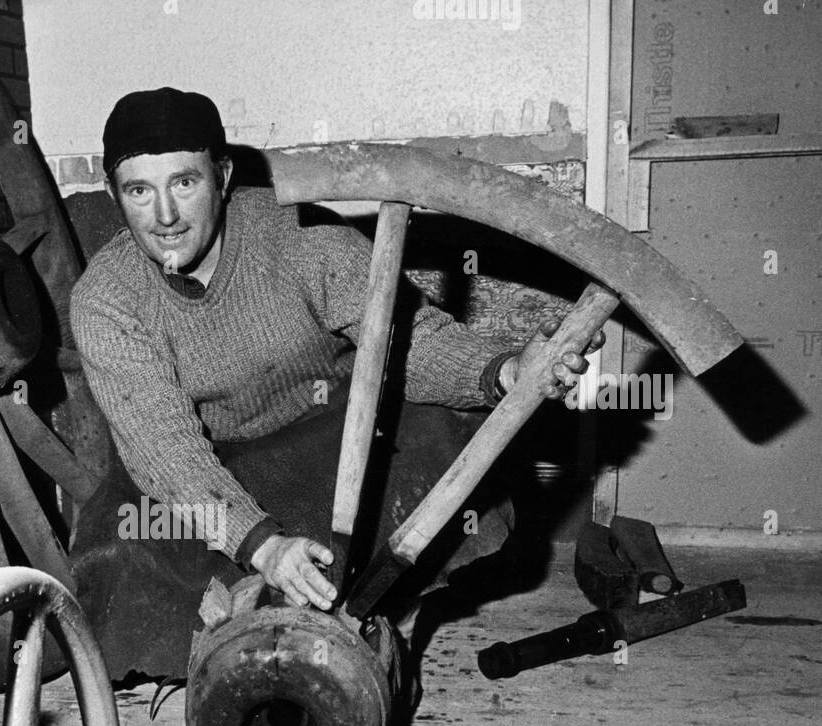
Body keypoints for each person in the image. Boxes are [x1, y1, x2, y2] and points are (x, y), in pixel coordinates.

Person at [68, 87, 598, 682]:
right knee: (120, 567)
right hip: (204, 471)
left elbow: (405, 338)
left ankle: (363, 620)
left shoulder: (296, 233)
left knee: (434, 430)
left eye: (184, 183)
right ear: (117, 195)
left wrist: (501, 370)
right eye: (139, 191)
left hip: (325, 443)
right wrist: (262, 545)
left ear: (222, 175)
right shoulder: (105, 299)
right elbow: (165, 449)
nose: (165, 216)